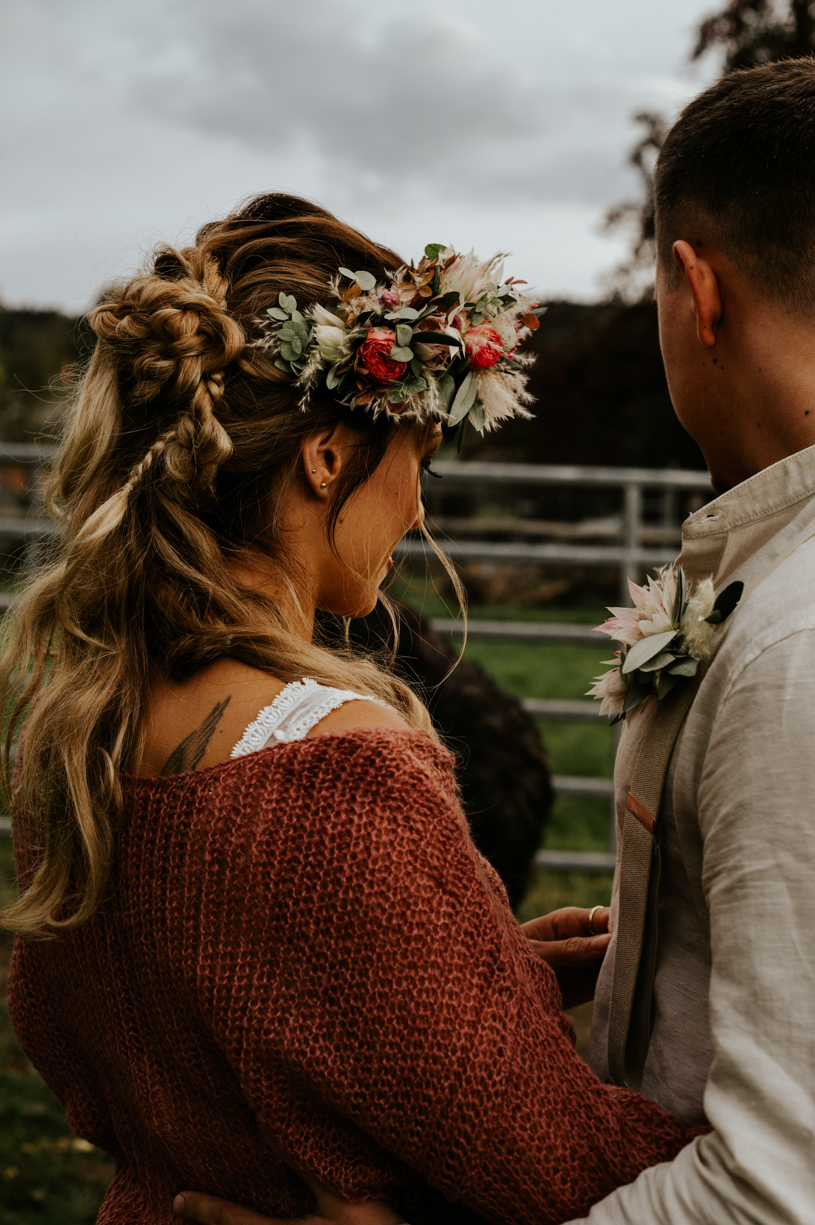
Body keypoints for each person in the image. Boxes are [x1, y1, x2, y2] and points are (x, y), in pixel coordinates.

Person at [174, 60, 815, 1225]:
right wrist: (474, 996)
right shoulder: (761, 587)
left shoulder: (793, 648)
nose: (418, 508)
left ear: (692, 288)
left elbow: (779, 1193)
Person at [3, 195, 698, 1225]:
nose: (416, 509)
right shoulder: (339, 775)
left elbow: (181, 1031)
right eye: (413, 456)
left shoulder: (78, 740)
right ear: (327, 455)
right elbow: (567, 1176)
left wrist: (483, 985)